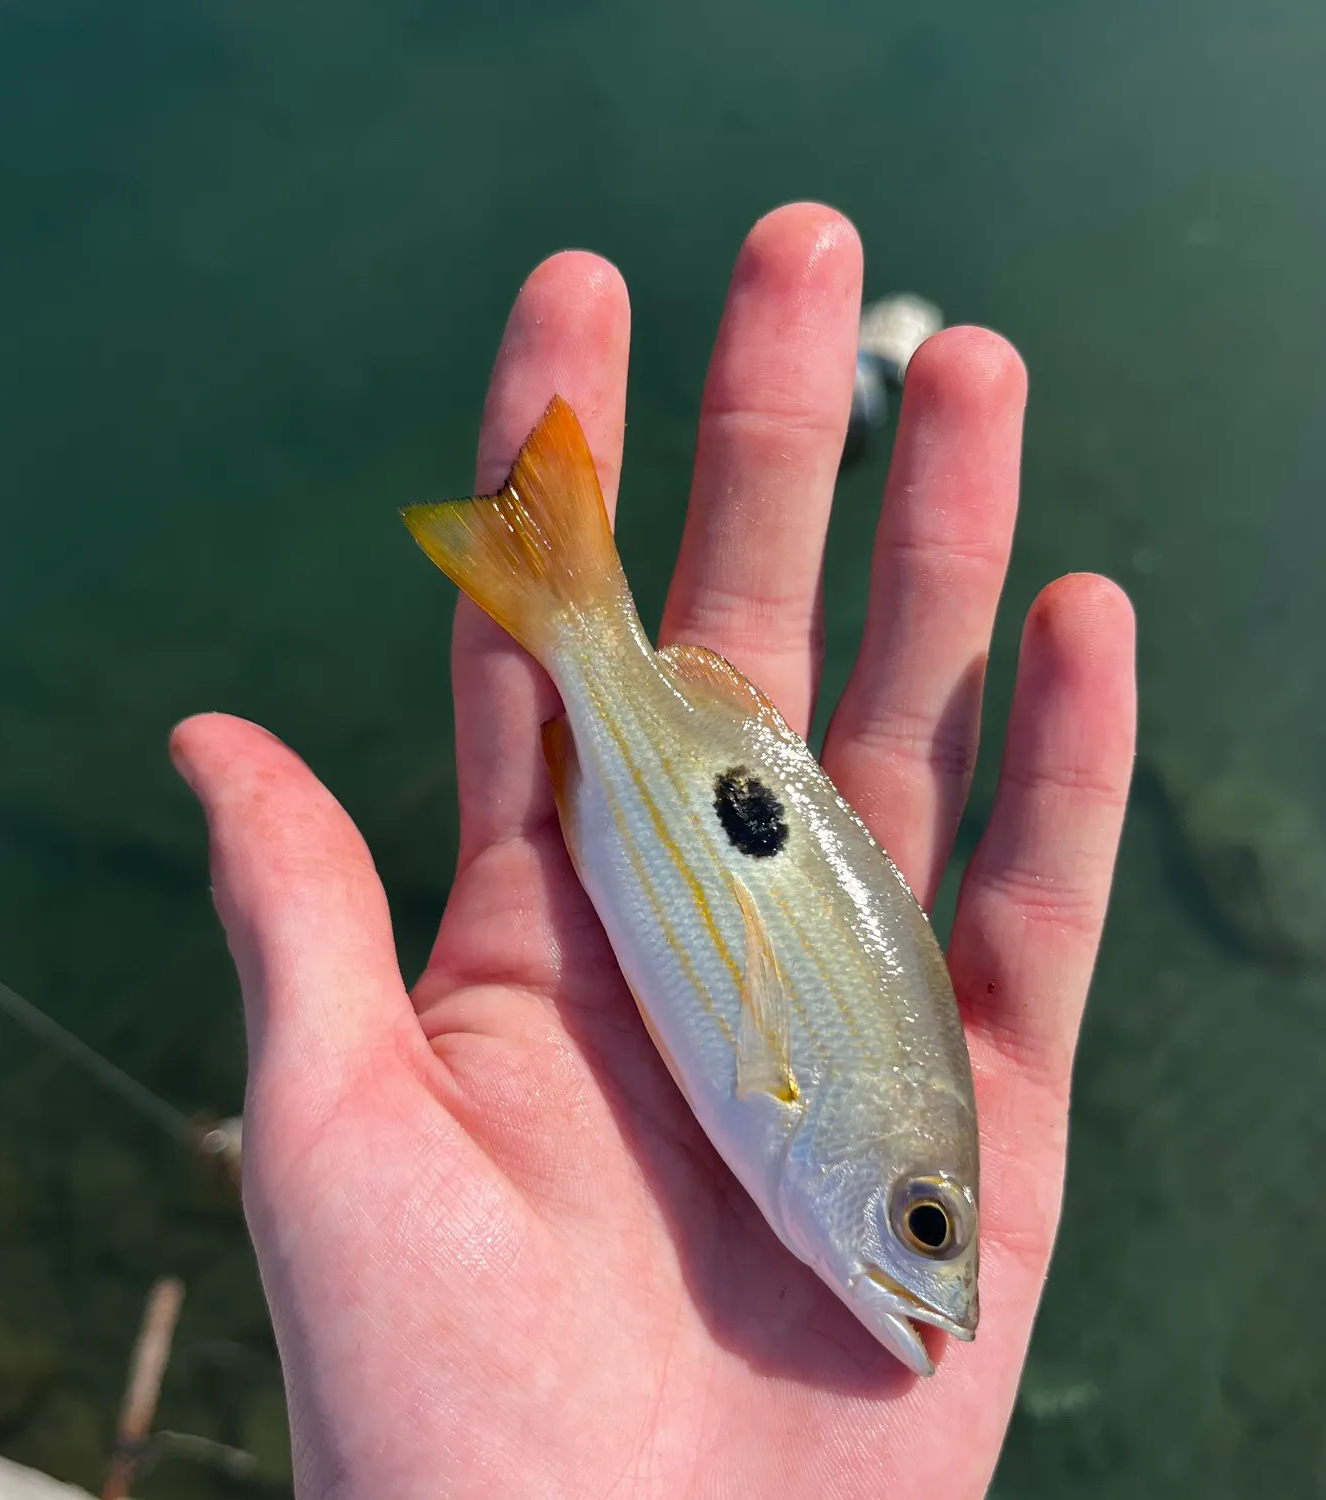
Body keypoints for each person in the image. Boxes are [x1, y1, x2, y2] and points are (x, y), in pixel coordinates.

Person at [169, 203, 1136, 1500]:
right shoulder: (824, 1124)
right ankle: (567, 590)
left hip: (656, 802)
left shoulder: (838, 1163)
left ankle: (561, 586)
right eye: (925, 1222)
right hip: (670, 795)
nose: (932, 1299)